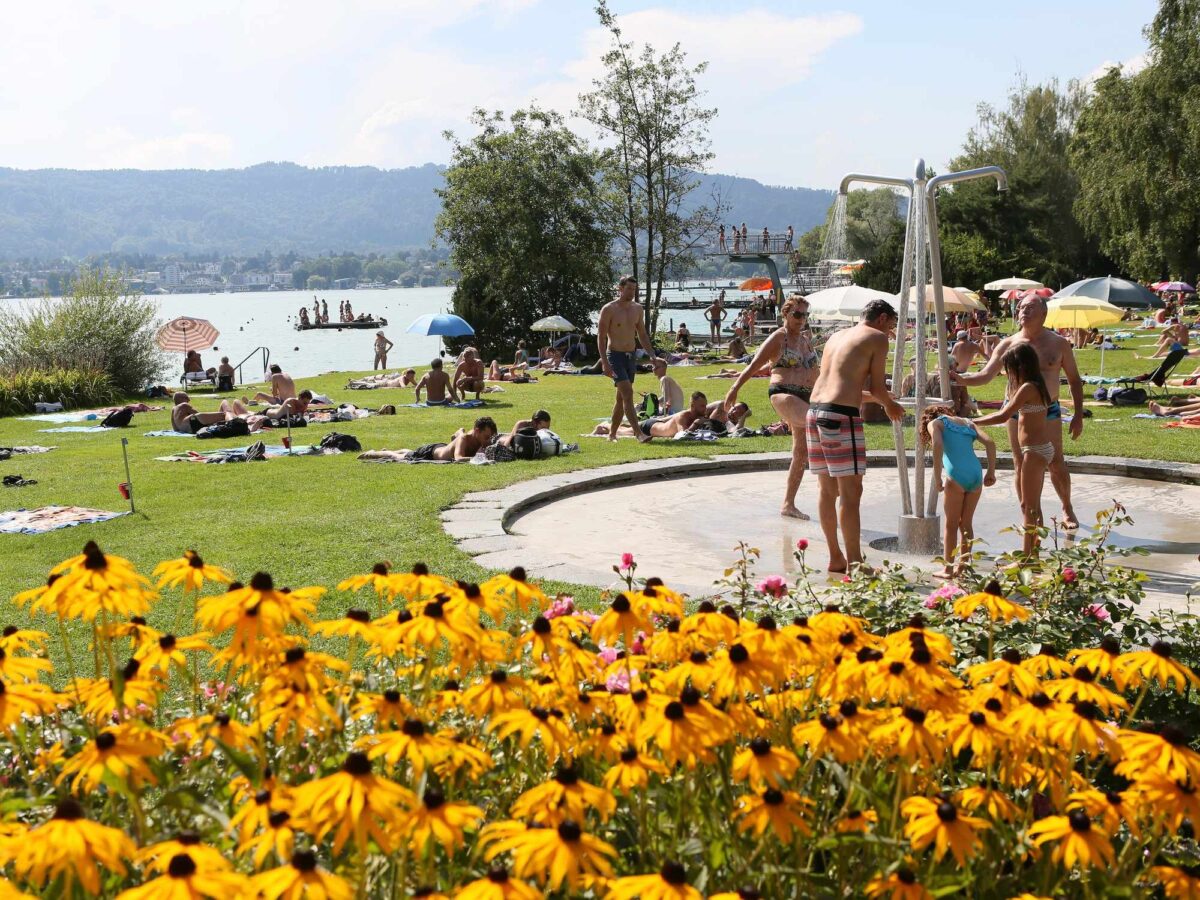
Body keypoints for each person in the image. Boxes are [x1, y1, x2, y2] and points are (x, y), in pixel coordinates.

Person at [953, 293, 1084, 529]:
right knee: (1020, 463)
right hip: (1015, 409)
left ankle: (1067, 506)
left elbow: (1074, 380)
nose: (1024, 310)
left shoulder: (1058, 343)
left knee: (1055, 461)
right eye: (1021, 307)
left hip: (1048, 408)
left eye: (1030, 307)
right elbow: (984, 376)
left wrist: (1077, 415)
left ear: (1044, 313)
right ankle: (1030, 513)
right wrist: (958, 379)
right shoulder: (1008, 344)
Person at [806, 299, 905, 572]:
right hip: (840, 417)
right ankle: (856, 563)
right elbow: (877, 388)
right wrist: (890, 405)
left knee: (827, 491)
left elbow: (836, 381)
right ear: (882, 319)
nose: (890, 333)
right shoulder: (876, 337)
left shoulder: (837, 336)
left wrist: (882, 399)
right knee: (851, 493)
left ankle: (836, 557)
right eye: (891, 326)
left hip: (815, 413)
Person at [724, 294, 821, 520]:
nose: (801, 319)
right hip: (783, 393)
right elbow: (755, 363)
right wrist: (734, 388)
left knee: (801, 453)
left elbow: (817, 372)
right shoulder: (779, 338)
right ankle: (829, 484)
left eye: (805, 315)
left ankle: (788, 504)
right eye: (797, 314)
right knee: (818, 423)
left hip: (806, 396)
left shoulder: (806, 340)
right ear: (785, 314)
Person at [974, 344, 1054, 559]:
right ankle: (1035, 553)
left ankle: (1027, 558)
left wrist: (971, 422)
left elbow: (1002, 416)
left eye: (1010, 368)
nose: (1008, 373)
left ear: (1020, 366)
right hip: (1037, 449)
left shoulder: (1028, 387)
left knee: (1029, 508)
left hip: (1035, 451)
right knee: (1031, 504)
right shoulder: (1034, 384)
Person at [921, 404, 997, 579]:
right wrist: (991, 472)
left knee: (951, 524)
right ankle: (963, 567)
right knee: (966, 524)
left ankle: (947, 569)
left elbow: (938, 444)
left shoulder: (935, 423)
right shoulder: (967, 422)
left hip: (956, 475)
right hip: (976, 473)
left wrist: (938, 476)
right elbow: (990, 443)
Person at [597, 275, 657, 444]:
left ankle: (612, 434)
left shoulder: (637, 309)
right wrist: (605, 363)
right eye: (629, 288)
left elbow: (642, 334)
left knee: (621, 398)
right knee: (628, 393)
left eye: (634, 289)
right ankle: (639, 434)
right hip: (614, 356)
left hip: (630, 356)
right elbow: (601, 337)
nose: (632, 292)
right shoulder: (609, 309)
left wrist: (652, 355)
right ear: (620, 288)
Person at [365, 417, 498, 462]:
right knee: (398, 457)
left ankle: (388, 450)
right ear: (476, 431)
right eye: (486, 437)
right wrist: (483, 459)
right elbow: (458, 458)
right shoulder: (464, 438)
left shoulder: (479, 439)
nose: (488, 441)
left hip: (441, 448)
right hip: (430, 453)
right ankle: (372, 453)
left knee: (409, 452)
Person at [591, 391, 708, 439]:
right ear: (692, 406)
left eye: (705, 405)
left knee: (628, 427)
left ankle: (612, 426)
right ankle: (605, 425)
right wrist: (696, 424)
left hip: (655, 423)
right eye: (702, 406)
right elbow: (681, 436)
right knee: (623, 432)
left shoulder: (697, 415)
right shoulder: (684, 416)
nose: (705, 409)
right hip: (648, 428)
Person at [171, 392, 240, 434]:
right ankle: (236, 423)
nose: (189, 400)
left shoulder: (173, 409)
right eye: (186, 397)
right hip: (194, 420)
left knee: (223, 416)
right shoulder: (184, 405)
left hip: (190, 429)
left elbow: (175, 429)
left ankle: (232, 421)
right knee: (226, 412)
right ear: (180, 398)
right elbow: (198, 414)